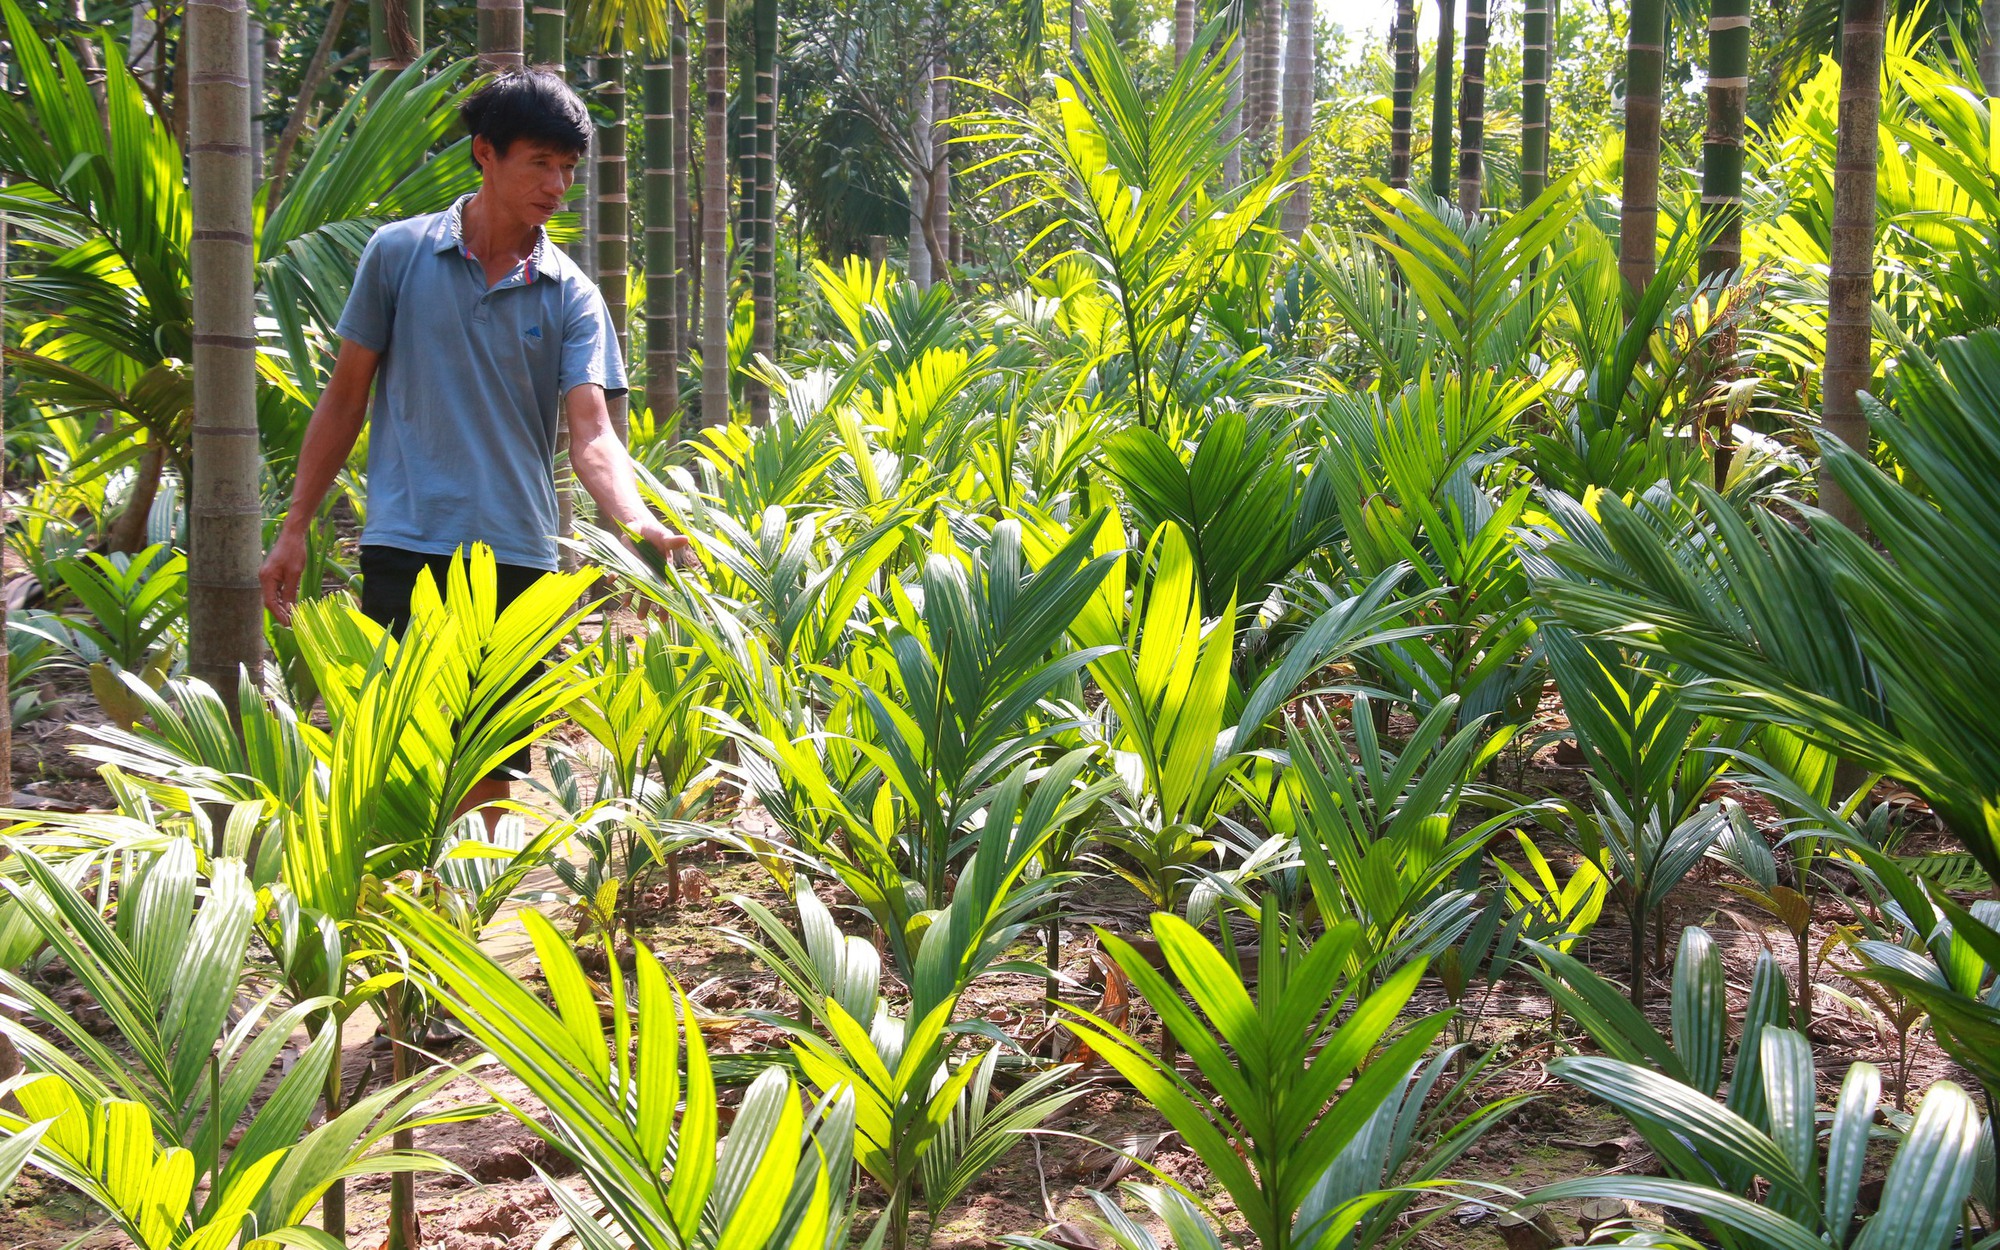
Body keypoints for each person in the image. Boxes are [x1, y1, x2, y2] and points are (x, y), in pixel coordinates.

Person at [260, 68, 688, 832]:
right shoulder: (396, 255)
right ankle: (400, 928)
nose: (558, 184)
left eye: (568, 168)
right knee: (399, 752)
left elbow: (591, 433)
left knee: (489, 762)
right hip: (405, 539)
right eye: (540, 162)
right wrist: (294, 526)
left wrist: (638, 520)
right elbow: (346, 397)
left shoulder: (571, 292)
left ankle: (459, 926)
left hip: (515, 555)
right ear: (485, 154)